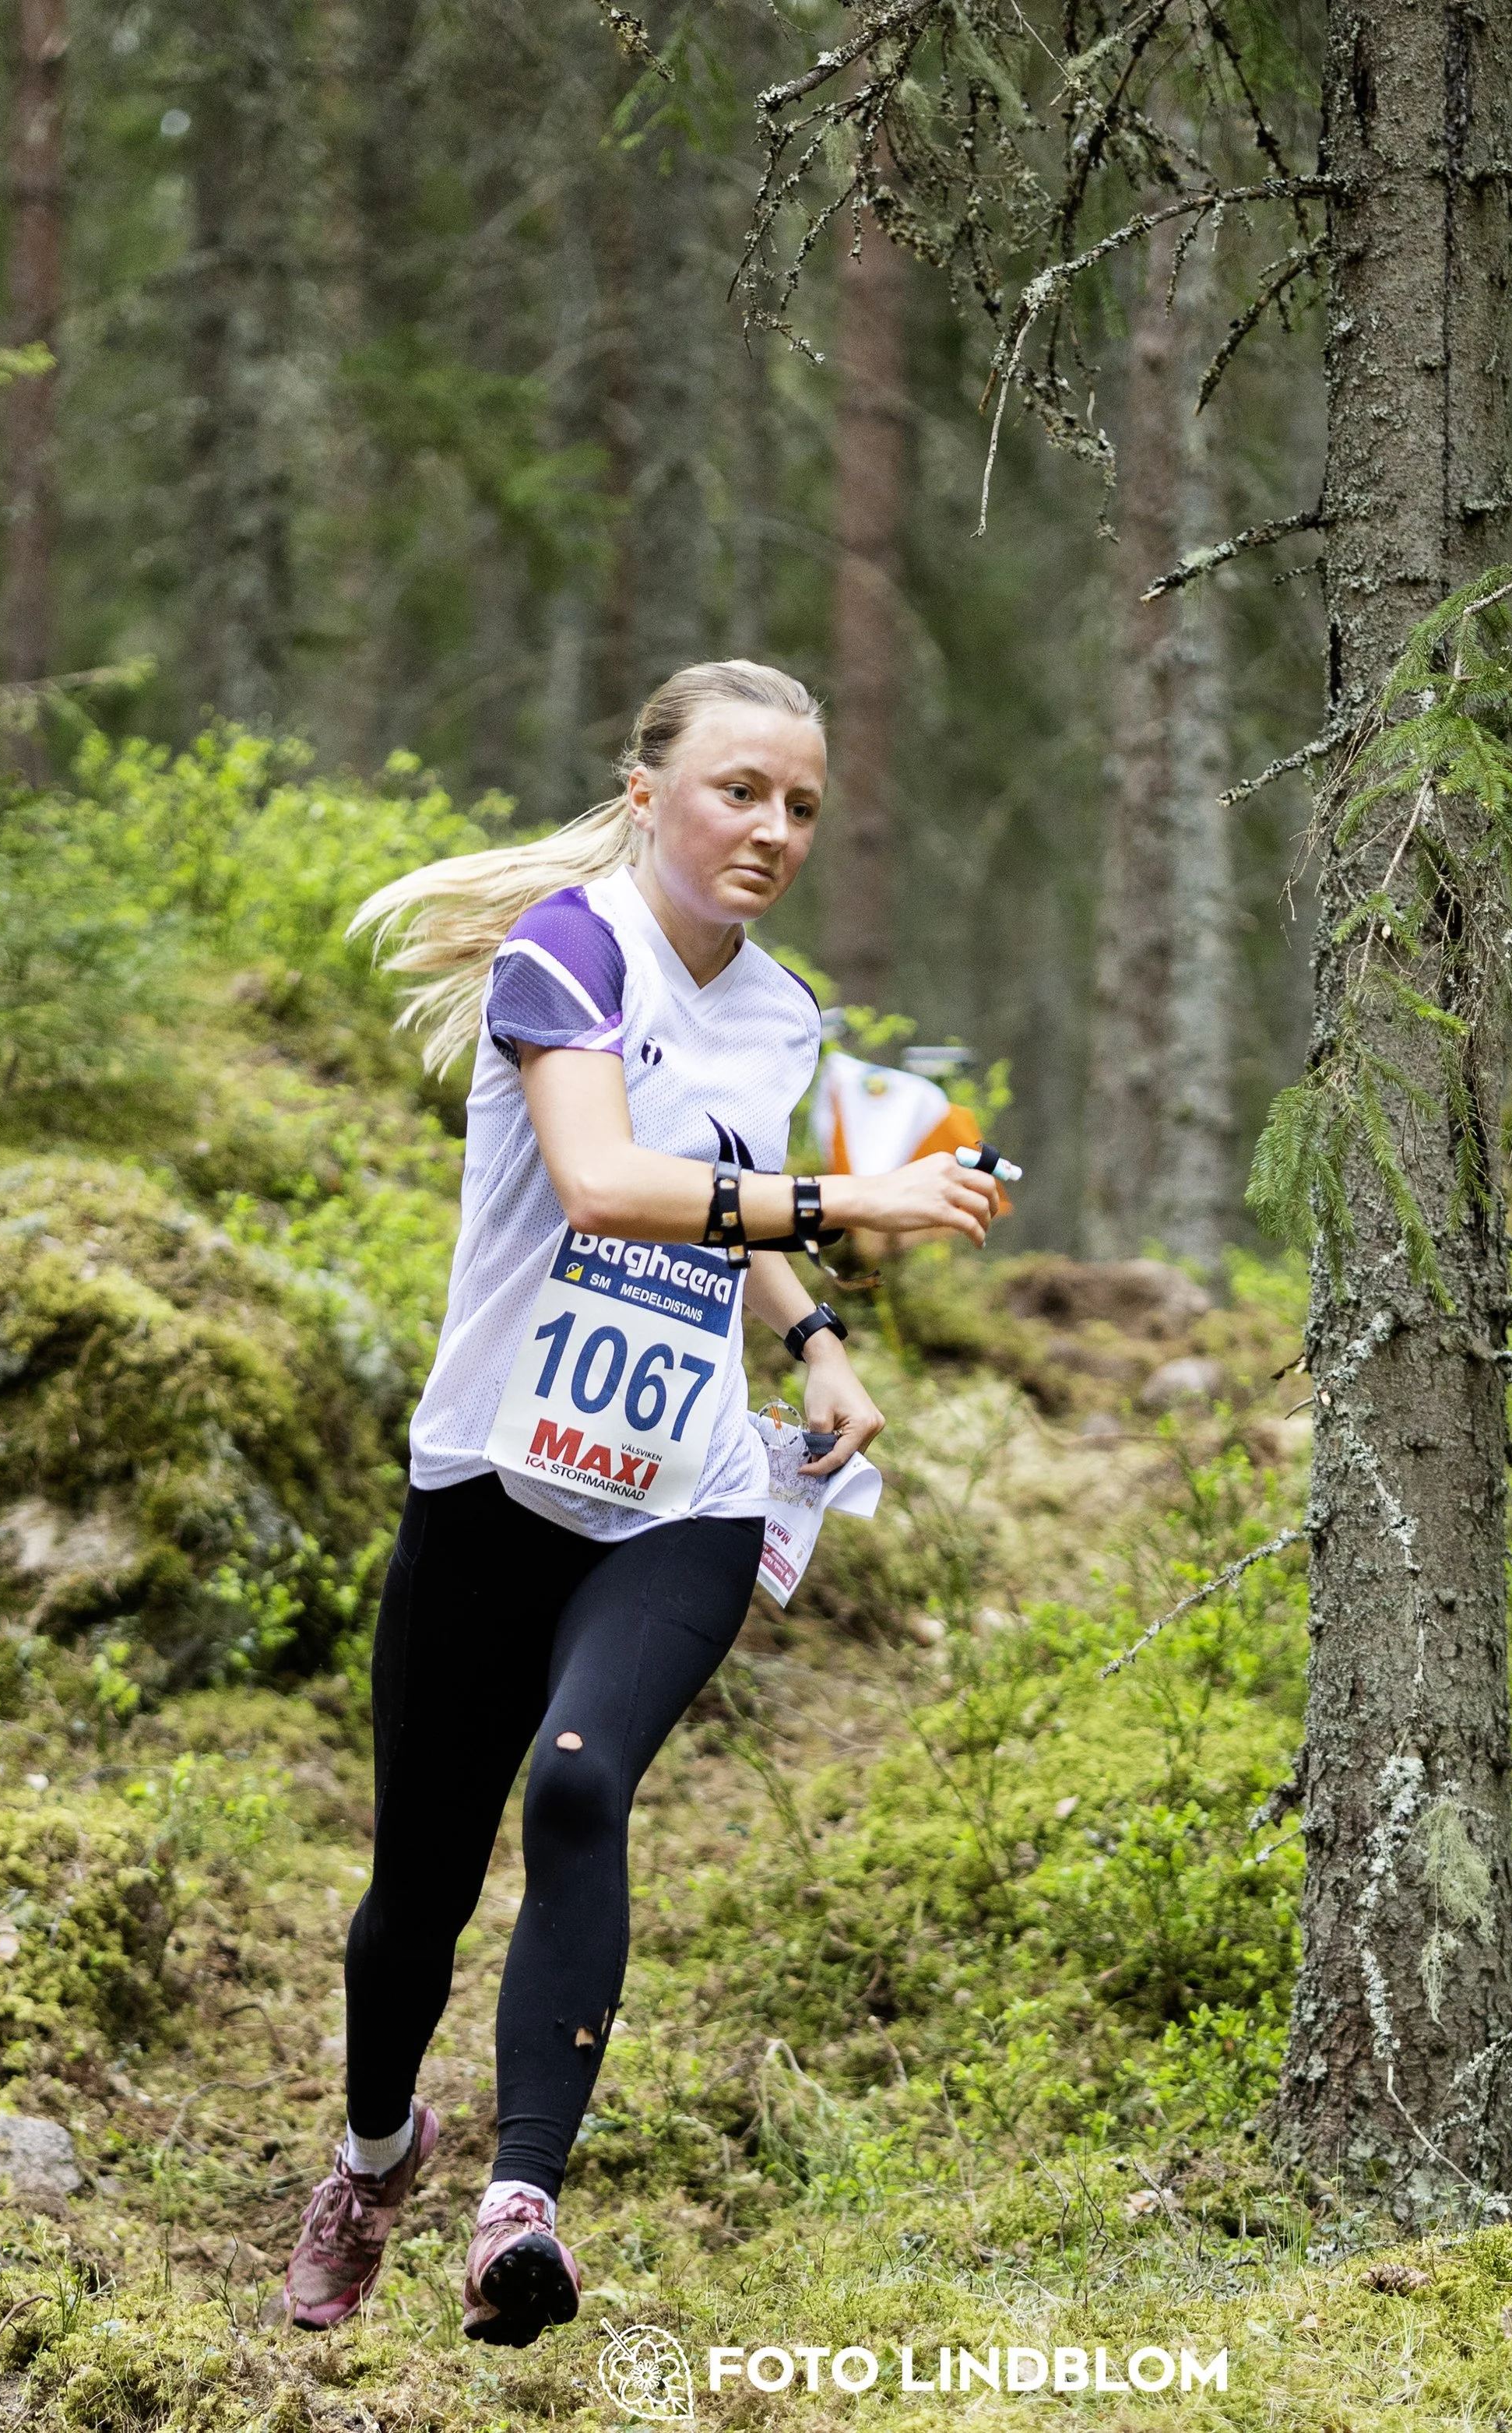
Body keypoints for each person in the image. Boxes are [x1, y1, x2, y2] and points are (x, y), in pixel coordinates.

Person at [277, 660, 1000, 2345]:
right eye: (739, 789)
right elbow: (607, 1178)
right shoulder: (567, 947)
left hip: (678, 1480)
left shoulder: (783, 1010)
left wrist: (811, 1334)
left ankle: (518, 2202)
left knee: (582, 1787)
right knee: (417, 1898)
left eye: (801, 804)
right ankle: (377, 2150)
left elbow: (718, 1211)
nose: (770, 828)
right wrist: (846, 1199)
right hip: (497, 1474)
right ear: (648, 788)